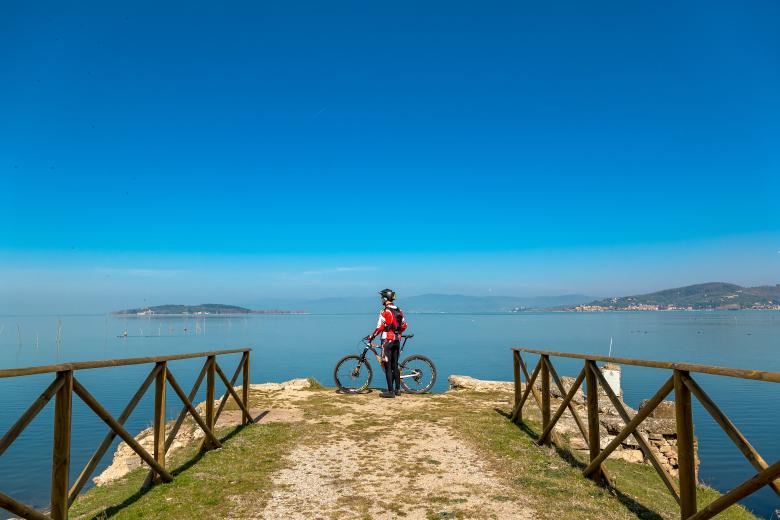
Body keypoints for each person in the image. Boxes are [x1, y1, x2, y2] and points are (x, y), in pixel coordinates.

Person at [366, 288, 407, 398]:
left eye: (381, 297)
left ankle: (390, 391)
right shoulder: (399, 310)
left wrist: (371, 336)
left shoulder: (385, 311)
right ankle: (398, 390)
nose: (380, 299)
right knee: (395, 365)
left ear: (385, 298)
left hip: (387, 342)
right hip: (397, 340)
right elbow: (404, 325)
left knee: (388, 366)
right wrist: (398, 333)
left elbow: (379, 327)